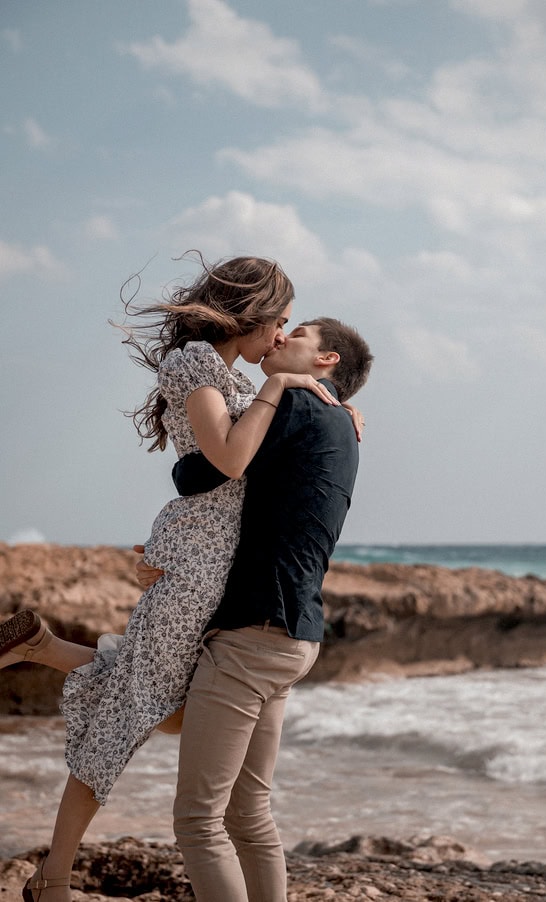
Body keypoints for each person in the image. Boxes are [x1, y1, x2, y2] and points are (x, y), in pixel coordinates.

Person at [0, 254, 343, 902]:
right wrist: (282, 387)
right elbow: (231, 460)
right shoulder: (194, 364)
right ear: (255, 309)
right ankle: (54, 878)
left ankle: (41, 650)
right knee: (147, 712)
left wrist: (336, 411)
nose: (281, 338)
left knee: (150, 709)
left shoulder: (232, 376)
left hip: (209, 564)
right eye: (282, 322)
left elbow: (242, 457)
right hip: (197, 571)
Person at [137, 316, 373, 901]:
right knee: (248, 814)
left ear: (327, 362)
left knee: (197, 819)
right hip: (296, 636)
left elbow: (201, 471)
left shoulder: (293, 409)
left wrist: (261, 399)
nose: (279, 338)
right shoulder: (339, 422)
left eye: (298, 335)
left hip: (253, 634)